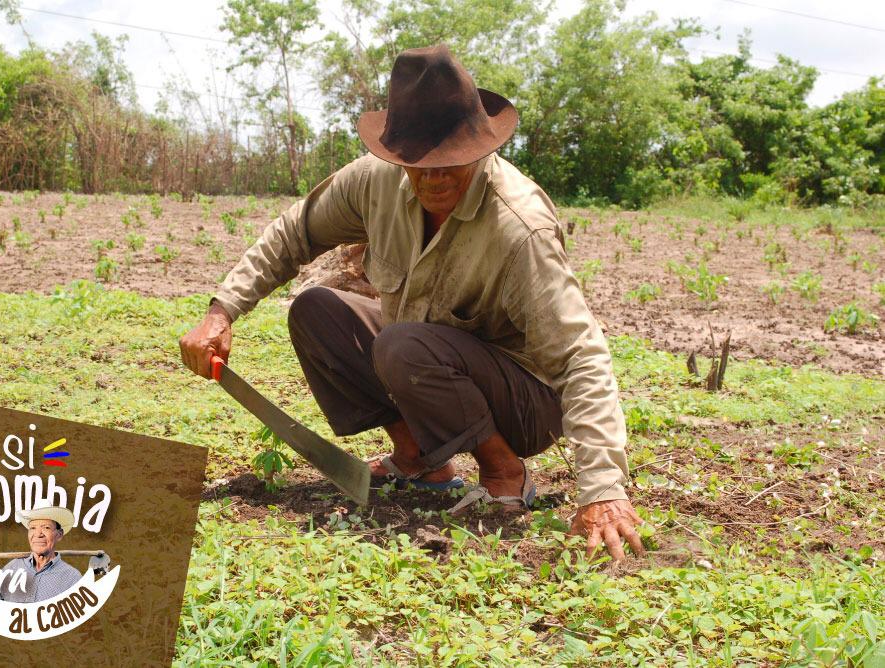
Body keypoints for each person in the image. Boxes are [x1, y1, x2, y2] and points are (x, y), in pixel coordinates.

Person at [180, 44, 645, 561]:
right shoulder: (375, 182)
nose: (434, 177)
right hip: (423, 355)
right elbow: (295, 231)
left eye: (450, 162)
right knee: (317, 311)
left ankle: (503, 472)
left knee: (403, 345)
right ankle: (421, 460)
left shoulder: (519, 226)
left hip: (523, 398)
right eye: (418, 164)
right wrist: (222, 311)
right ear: (397, 155)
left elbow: (580, 354)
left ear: (479, 147)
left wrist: (602, 487)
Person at [0, 505, 82, 603]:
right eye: (32, 528)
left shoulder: (72, 578)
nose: (38, 534)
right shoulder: (14, 567)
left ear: (59, 535)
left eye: (46, 528)